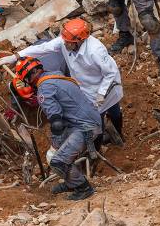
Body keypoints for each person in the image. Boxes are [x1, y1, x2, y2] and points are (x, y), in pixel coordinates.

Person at [0, 18, 123, 140]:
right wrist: (16, 56)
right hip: (86, 88)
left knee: (111, 111)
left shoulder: (95, 51)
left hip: (105, 87)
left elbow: (111, 73)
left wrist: (101, 94)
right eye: (64, 40)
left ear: (79, 41)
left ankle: (115, 135)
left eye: (67, 42)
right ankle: (99, 140)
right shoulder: (65, 41)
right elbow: (43, 48)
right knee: (96, 119)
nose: (64, 43)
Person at [15, 56, 101, 200]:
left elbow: (57, 123)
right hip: (87, 121)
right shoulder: (57, 76)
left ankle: (83, 188)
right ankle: (71, 182)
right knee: (61, 154)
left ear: (28, 78)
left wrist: (56, 144)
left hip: (85, 127)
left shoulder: (44, 89)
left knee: (57, 160)